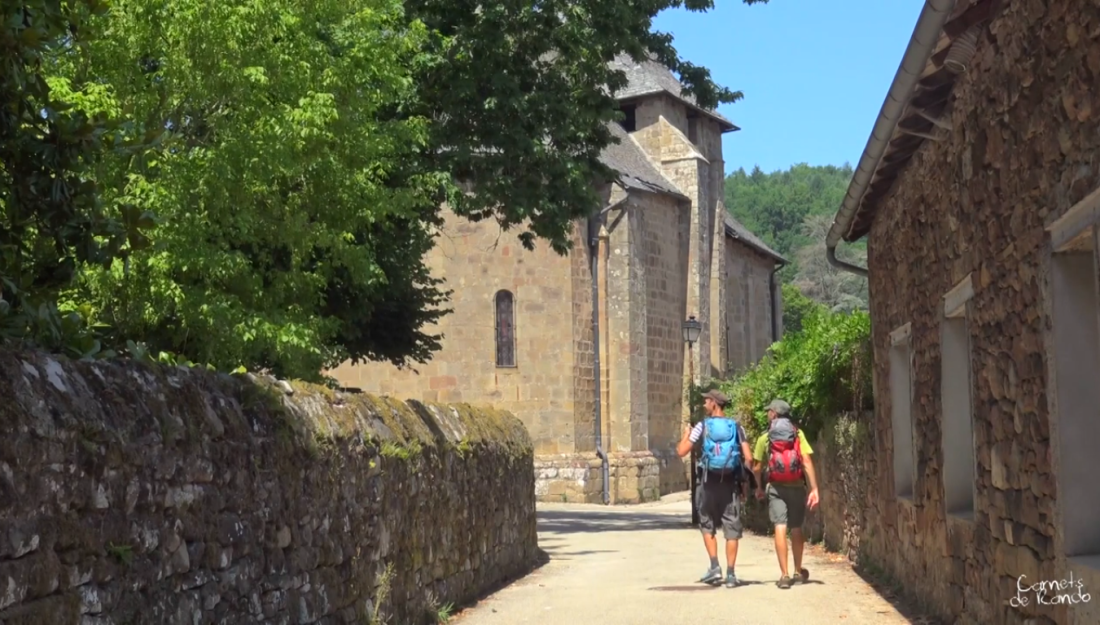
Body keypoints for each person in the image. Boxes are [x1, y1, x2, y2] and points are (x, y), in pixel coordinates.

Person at [676, 389, 754, 588]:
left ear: (714, 404)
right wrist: (744, 482)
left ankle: (714, 566)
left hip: (707, 482)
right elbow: (749, 458)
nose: (704, 405)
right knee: (732, 528)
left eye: (706, 401)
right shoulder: (736, 426)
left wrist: (686, 435)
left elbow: (681, 451)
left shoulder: (702, 426)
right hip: (730, 484)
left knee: (707, 523)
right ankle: (730, 574)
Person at [752, 399, 820, 589]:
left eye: (769, 412)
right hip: (797, 486)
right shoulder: (798, 434)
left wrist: (758, 487)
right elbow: (806, 461)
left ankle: (784, 575)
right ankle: (798, 571)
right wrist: (814, 488)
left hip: (776, 487)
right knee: (796, 527)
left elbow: (757, 467)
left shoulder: (765, 437)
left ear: (774, 413)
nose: (767, 414)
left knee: (780, 526)